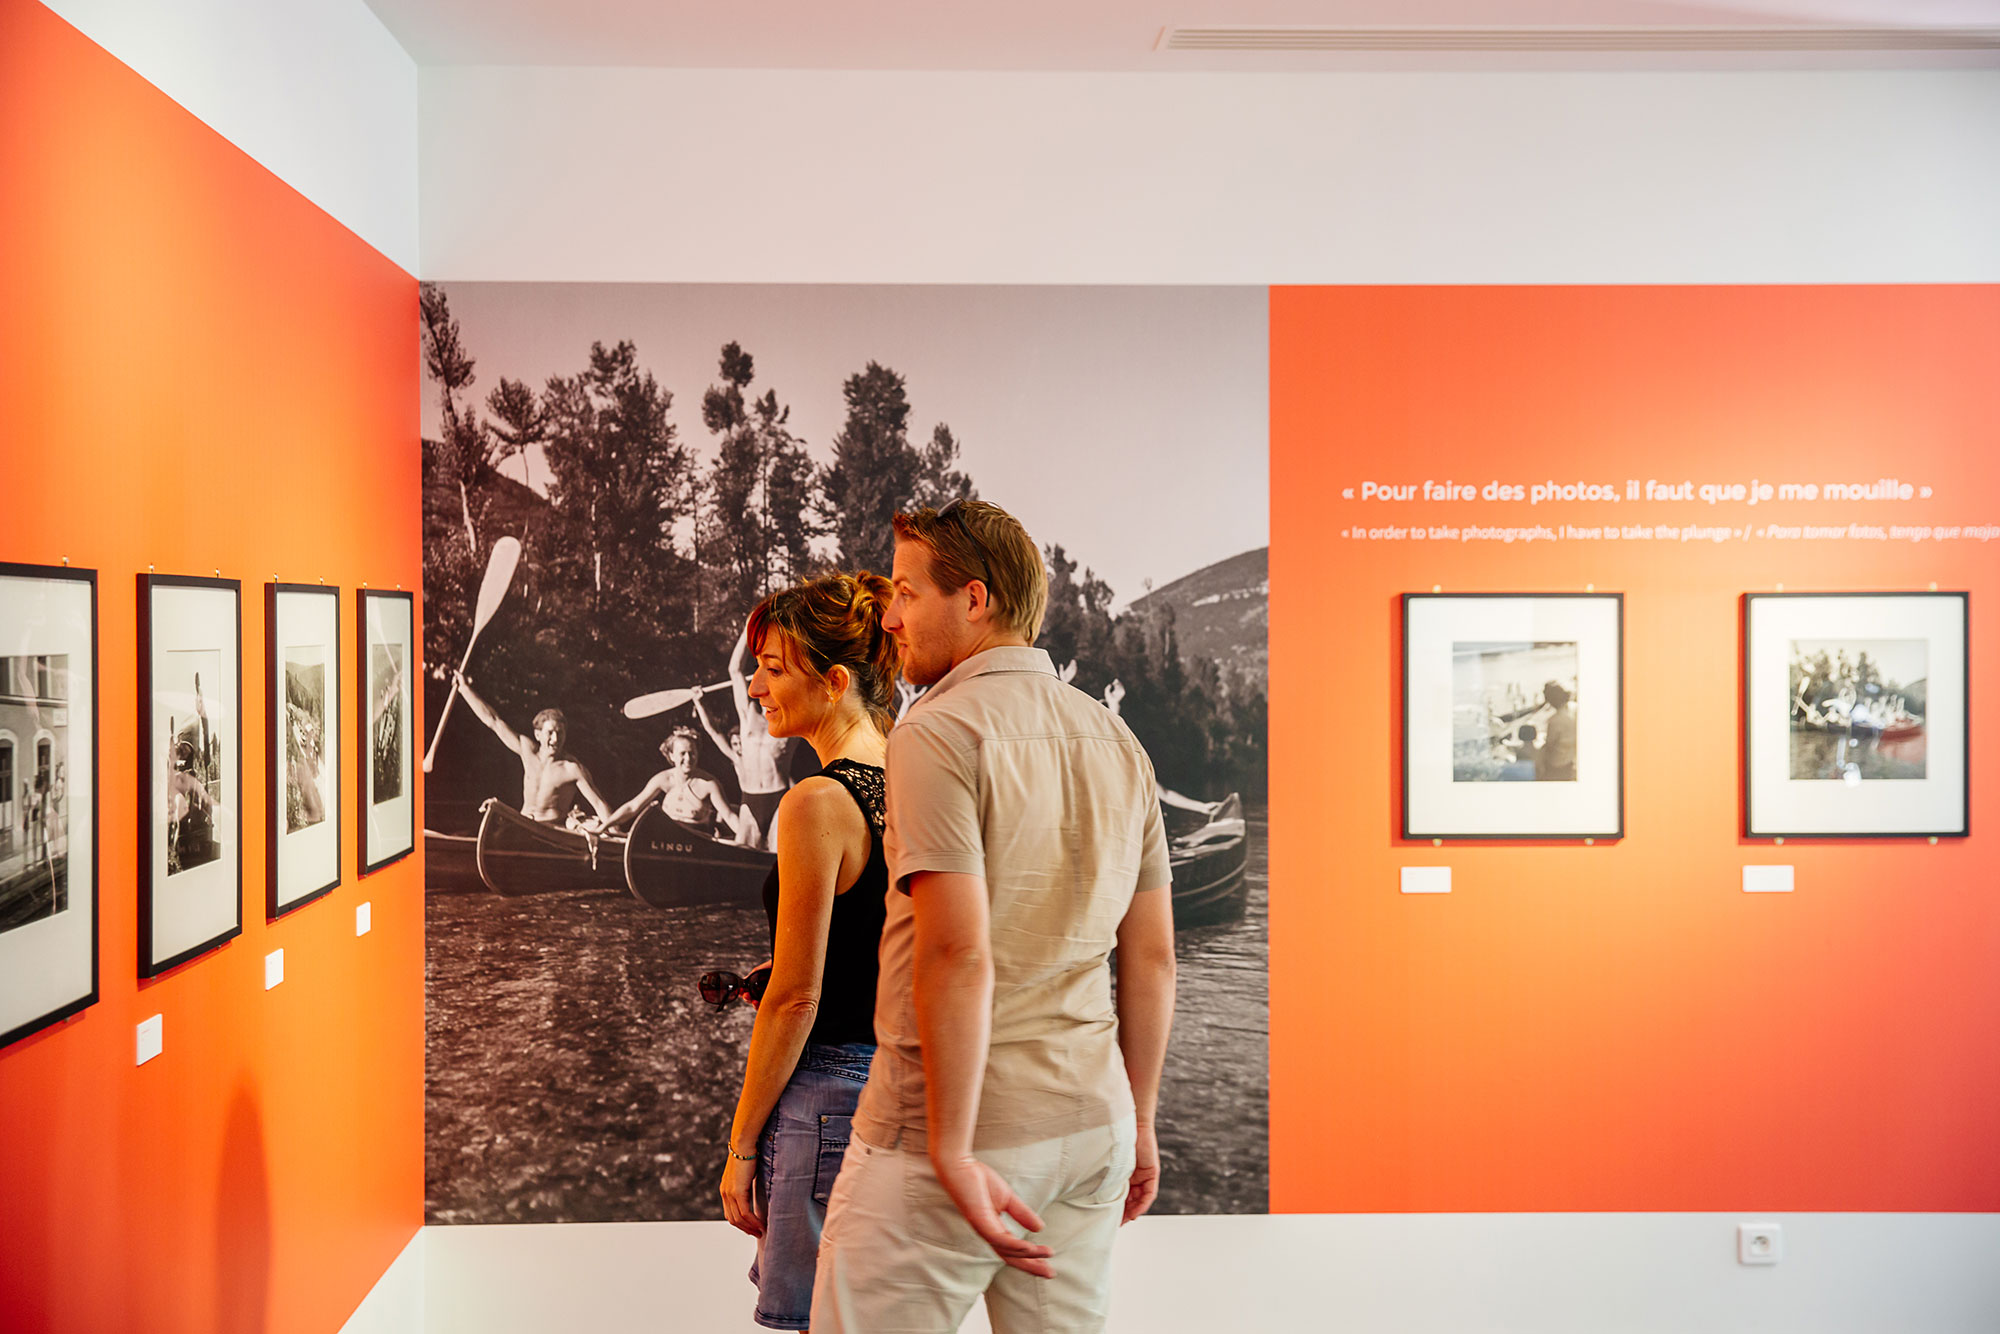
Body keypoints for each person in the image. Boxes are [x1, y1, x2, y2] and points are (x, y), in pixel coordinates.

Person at [812, 499, 1178, 1334]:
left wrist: (950, 1147)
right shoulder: (1120, 741)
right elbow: (1151, 959)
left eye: (906, 593)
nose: (891, 616)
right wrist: (1141, 1124)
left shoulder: (934, 733)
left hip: (946, 1140)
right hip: (1095, 1130)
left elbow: (957, 953)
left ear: (973, 600)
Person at [716, 571, 902, 1332]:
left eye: (772, 668)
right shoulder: (913, 774)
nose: (755, 686)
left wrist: (740, 1147)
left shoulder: (817, 802)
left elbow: (798, 998)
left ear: (832, 682)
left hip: (826, 1100)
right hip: (895, 1091)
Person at [452, 674, 611, 827]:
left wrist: (616, 835)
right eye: (550, 733)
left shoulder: (571, 768)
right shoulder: (527, 751)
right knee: (493, 810)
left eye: (560, 733)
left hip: (550, 833)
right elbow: (493, 721)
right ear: (538, 734)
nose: (555, 739)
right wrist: (465, 689)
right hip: (522, 825)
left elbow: (598, 803)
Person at [695, 627, 794, 849]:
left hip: (779, 800)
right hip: (750, 801)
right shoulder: (747, 716)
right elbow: (735, 669)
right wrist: (748, 629)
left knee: (780, 860)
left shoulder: (790, 720)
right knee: (743, 855)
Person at [593, 726, 745, 841]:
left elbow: (729, 816)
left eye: (692, 753)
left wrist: (748, 840)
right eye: (682, 753)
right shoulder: (662, 779)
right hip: (666, 841)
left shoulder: (709, 784)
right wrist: (603, 827)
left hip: (698, 843)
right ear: (671, 756)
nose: (688, 758)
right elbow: (633, 807)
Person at [1534, 681, 1577, 782]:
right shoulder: (1574, 708)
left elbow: (1549, 745)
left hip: (1557, 764)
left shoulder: (1555, 720)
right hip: (1571, 758)